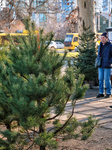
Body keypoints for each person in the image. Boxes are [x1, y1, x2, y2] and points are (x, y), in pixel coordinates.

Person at [96, 32, 112, 98]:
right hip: (100, 65)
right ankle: (101, 93)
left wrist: (109, 62)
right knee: (100, 79)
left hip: (107, 65)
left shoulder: (110, 45)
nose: (102, 39)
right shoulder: (100, 45)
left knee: (107, 79)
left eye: (103, 38)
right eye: (101, 38)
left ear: (106, 38)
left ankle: (108, 93)